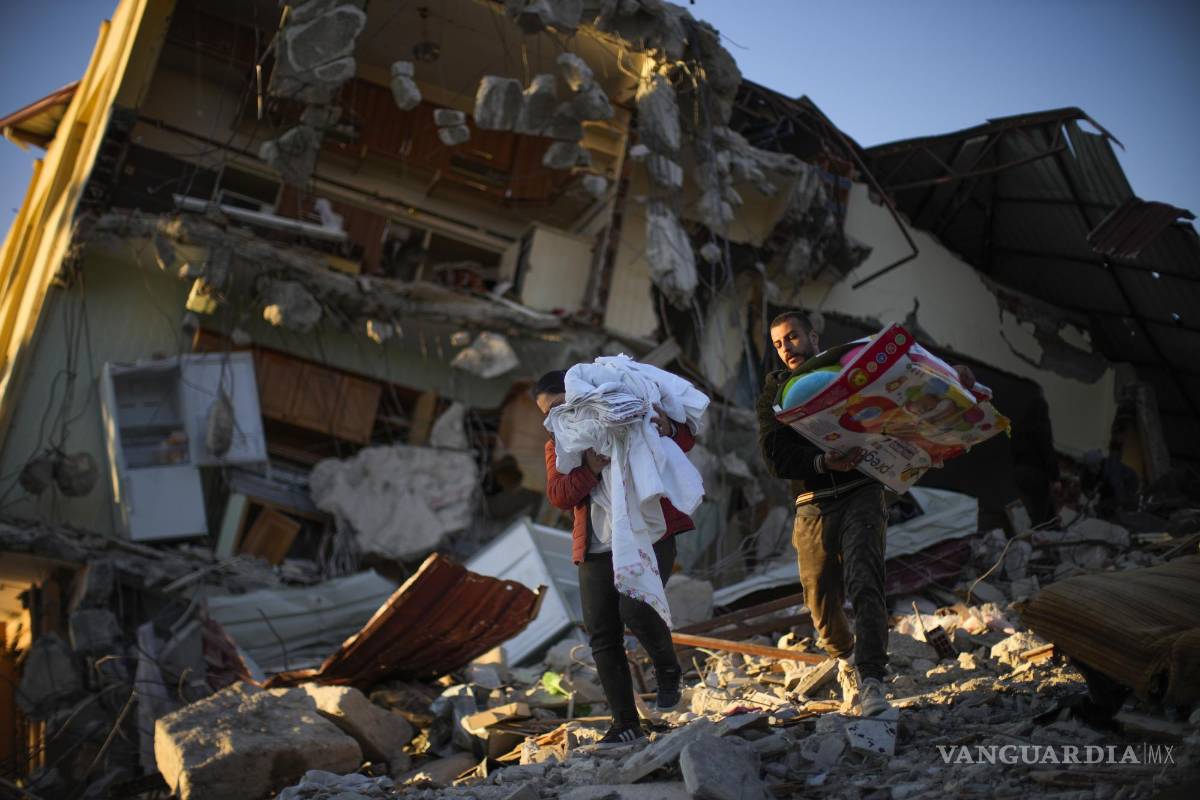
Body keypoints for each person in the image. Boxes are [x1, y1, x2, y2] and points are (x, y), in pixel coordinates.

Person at [756, 311, 974, 717]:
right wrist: (823, 462)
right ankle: (847, 658)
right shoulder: (776, 393)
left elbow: (910, 387)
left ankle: (872, 679)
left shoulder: (852, 368)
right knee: (819, 597)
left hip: (863, 492)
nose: (786, 348)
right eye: (778, 344)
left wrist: (951, 377)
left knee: (865, 581)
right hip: (813, 504)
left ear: (813, 336)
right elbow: (774, 456)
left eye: (792, 338)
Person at [534, 369, 695, 748]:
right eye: (546, 414)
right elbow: (559, 495)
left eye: (559, 406)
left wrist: (668, 427)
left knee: (636, 611)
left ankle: (668, 669)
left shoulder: (626, 411)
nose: (555, 418)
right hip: (595, 547)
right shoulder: (560, 443)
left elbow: (683, 440)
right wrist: (589, 468)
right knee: (602, 635)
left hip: (650, 532)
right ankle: (625, 724)